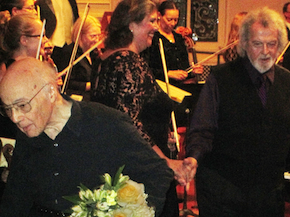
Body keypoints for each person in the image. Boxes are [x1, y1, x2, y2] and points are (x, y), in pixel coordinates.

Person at [0, 57, 173, 217]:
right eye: (8, 109)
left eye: (22, 105)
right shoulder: (27, 132)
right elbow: (15, 200)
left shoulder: (106, 122)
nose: (15, 118)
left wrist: (138, 213)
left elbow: (157, 172)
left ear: (51, 92)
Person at [91, 0, 196, 216]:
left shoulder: (107, 59)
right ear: (132, 24)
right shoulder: (129, 61)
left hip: (119, 165)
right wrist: (166, 162)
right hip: (141, 170)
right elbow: (129, 123)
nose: (157, 27)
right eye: (152, 21)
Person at [185, 7, 290, 216]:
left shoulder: (287, 81)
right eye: (257, 44)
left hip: (269, 194)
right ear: (243, 44)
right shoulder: (221, 79)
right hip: (223, 192)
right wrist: (194, 158)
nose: (266, 52)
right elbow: (202, 128)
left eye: (272, 44)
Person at [144, 0, 203, 127]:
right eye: (169, 19)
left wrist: (192, 71)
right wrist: (169, 74)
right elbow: (146, 68)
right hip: (162, 89)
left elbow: (184, 67)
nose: (173, 23)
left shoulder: (178, 38)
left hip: (181, 89)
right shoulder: (153, 39)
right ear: (159, 16)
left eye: (176, 20)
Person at [53, 15, 102, 101]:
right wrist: (91, 85)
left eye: (98, 36)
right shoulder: (69, 52)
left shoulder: (94, 53)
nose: (97, 40)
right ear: (80, 35)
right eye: (93, 36)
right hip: (76, 99)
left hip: (91, 97)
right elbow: (67, 82)